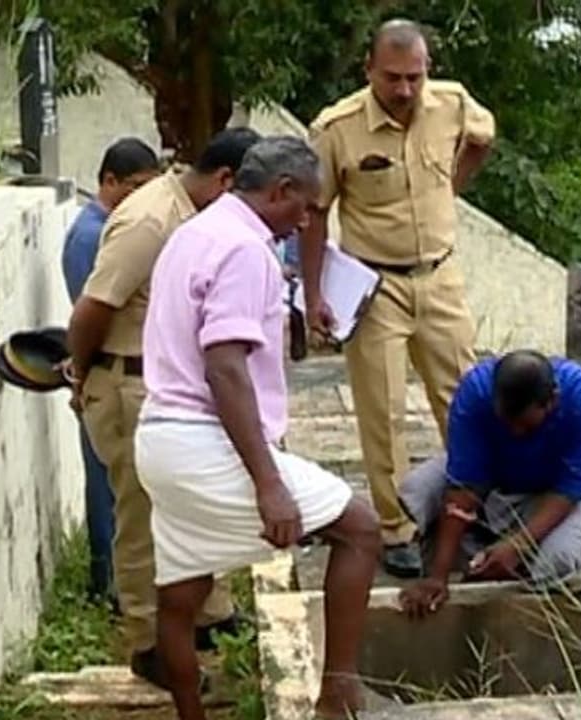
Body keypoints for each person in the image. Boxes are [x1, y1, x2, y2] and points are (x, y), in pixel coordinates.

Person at [134, 135, 380, 720]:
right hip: (203, 440)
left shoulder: (193, 231)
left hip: (161, 438)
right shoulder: (247, 249)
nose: (305, 224)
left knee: (182, 595)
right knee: (361, 530)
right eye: (306, 208)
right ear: (282, 190)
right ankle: (338, 694)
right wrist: (268, 482)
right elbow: (225, 366)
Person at [65, 127, 262, 688]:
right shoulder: (151, 220)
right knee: (142, 518)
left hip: (173, 386)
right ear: (226, 181)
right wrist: (81, 376)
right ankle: (149, 643)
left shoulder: (198, 215)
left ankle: (209, 616)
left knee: (193, 503)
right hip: (130, 383)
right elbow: (92, 309)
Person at [301, 18, 496, 578]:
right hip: (374, 284)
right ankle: (397, 527)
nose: (406, 90)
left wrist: (451, 187)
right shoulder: (337, 128)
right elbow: (314, 214)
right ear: (369, 70)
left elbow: (483, 138)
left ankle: (468, 507)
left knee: (464, 402)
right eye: (393, 78)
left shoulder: (452, 103)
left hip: (440, 276)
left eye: (415, 76)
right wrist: (314, 295)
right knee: (382, 410)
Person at [398, 350, 581, 617]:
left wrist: (518, 545)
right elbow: (463, 488)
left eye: (525, 425)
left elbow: (568, 492)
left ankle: (509, 560)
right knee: (417, 489)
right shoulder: (475, 393)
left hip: (552, 492)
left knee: (559, 560)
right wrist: (437, 576)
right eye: (506, 423)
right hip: (493, 478)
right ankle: (472, 557)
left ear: (552, 401)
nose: (515, 433)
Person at [60, 137, 160, 604]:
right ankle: (109, 583)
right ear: (109, 182)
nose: (143, 196)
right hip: (104, 372)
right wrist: (84, 375)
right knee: (109, 484)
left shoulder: (119, 225)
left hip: (107, 370)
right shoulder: (91, 235)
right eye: (135, 186)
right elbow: (95, 308)